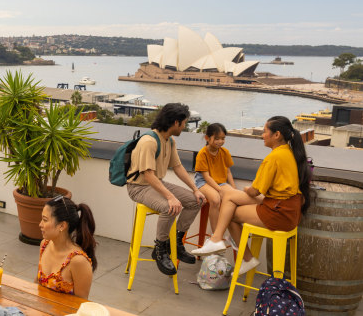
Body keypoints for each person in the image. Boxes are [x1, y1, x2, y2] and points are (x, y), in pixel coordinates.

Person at [191, 116, 314, 275]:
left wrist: (248, 189)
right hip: (288, 207)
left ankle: (229, 247)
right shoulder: (289, 152)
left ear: (276, 135)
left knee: (229, 212)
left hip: (279, 212)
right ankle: (220, 241)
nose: (262, 135)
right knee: (229, 199)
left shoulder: (274, 157)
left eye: (264, 132)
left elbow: (256, 191)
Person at [126, 103, 206, 276]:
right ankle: (160, 248)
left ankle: (176, 242)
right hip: (139, 187)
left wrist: (195, 189)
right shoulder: (148, 141)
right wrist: (170, 197)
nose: (185, 127)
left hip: (156, 183)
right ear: (176, 122)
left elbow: (177, 167)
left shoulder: (170, 140)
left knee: (195, 201)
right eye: (184, 123)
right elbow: (147, 175)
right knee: (170, 207)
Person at [37, 196, 96, 299]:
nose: (40, 224)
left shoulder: (78, 261)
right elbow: (37, 286)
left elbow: (80, 306)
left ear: (62, 226)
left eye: (45, 220)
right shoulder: (44, 245)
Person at [194, 123, 237, 232]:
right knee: (215, 199)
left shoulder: (224, 152)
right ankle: (216, 235)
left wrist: (233, 187)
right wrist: (219, 190)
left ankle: (230, 233)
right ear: (207, 138)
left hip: (220, 182)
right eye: (217, 138)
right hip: (203, 182)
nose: (220, 141)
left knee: (235, 196)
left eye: (223, 138)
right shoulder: (202, 154)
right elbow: (206, 177)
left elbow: (228, 172)